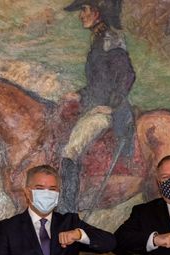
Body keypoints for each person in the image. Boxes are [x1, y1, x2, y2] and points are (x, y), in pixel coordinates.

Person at [60, 0, 136, 213]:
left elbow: (127, 75)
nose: (80, 15)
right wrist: (79, 94)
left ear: (99, 11)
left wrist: (111, 107)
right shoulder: (98, 39)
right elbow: (100, 82)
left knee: (71, 149)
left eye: (84, 9)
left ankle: (67, 210)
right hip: (95, 106)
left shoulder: (111, 39)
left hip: (109, 111)